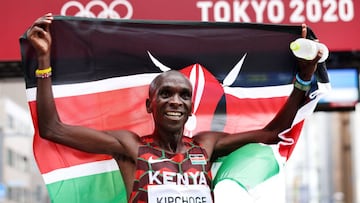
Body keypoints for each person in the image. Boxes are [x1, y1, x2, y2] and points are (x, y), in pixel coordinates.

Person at [27, 13, 322, 202]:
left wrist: (304, 78)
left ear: (191, 107)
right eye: (165, 93)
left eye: (183, 95)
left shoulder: (205, 145)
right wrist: (43, 62)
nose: (175, 101)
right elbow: (53, 129)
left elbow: (273, 132)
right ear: (149, 105)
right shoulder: (129, 146)